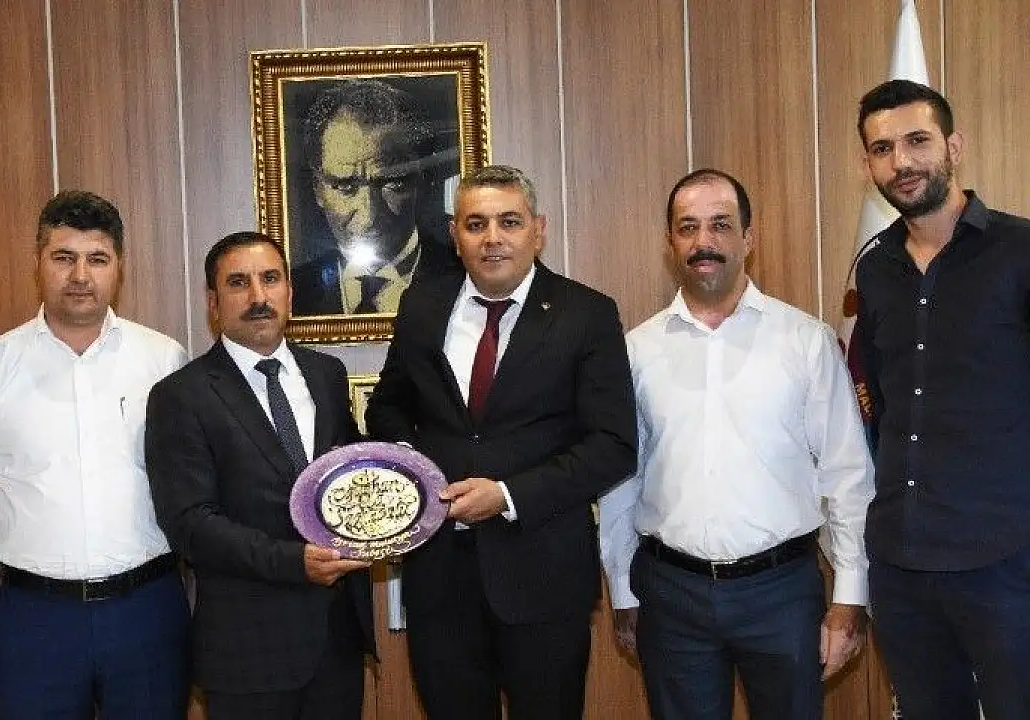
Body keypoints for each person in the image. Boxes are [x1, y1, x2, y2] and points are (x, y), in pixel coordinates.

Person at [597, 169, 875, 720]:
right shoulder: (635, 352)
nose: (704, 241)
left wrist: (850, 594)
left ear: (749, 237)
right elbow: (621, 481)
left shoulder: (806, 341)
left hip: (782, 593)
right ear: (671, 242)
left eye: (721, 225)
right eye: (688, 227)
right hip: (671, 597)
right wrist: (624, 590)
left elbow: (846, 474)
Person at [364, 165, 637, 720]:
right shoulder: (422, 306)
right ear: (454, 234)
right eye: (476, 224)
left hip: (544, 576)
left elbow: (613, 444)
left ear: (539, 229)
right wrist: (414, 471)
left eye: (509, 222)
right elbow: (387, 406)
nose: (492, 238)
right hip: (439, 579)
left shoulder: (586, 314)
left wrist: (508, 496)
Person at [0, 190, 191, 718]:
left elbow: (190, 478)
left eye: (97, 259)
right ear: (39, 262)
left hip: (147, 608)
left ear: (119, 266)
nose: (80, 275)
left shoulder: (163, 360)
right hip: (36, 617)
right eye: (63, 257)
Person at [853, 79, 1030, 720]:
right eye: (882, 149)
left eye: (917, 141)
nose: (901, 162)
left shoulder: (1019, 251)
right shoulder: (874, 270)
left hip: (1006, 560)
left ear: (953, 147)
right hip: (902, 564)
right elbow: (881, 404)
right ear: (868, 164)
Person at [145, 231, 375, 719]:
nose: (258, 296)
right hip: (247, 654)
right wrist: (294, 562)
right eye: (238, 283)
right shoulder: (180, 395)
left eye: (270, 279)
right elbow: (190, 523)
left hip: (336, 641)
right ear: (213, 303)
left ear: (289, 291)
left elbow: (349, 476)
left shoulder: (328, 375)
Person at [291, 79, 459, 315]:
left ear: (424, 180)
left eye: (392, 183)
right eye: (345, 185)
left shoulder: (464, 280)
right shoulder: (292, 293)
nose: (369, 216)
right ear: (318, 190)